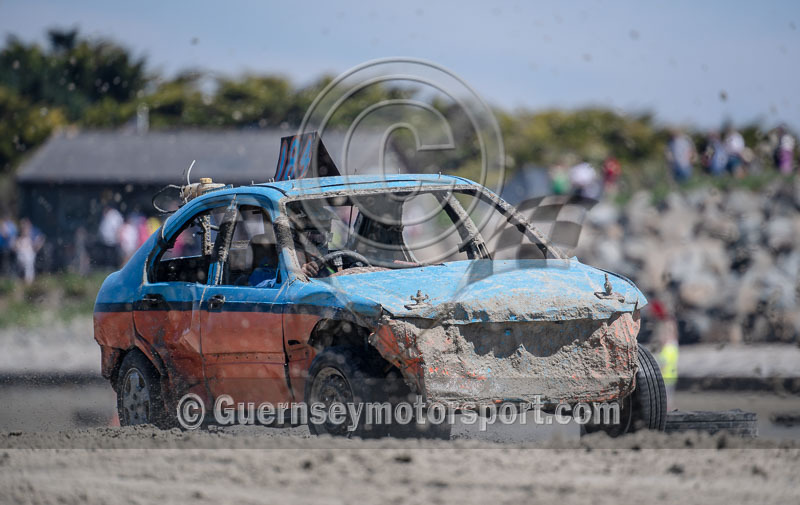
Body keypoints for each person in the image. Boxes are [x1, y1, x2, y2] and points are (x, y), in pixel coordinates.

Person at [14, 218, 44, 285]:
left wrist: (36, 247)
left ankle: (28, 280)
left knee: (28, 262)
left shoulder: (34, 233)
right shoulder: (18, 235)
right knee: (24, 260)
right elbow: (15, 245)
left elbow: (40, 240)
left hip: (30, 254)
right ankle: (25, 280)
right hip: (21, 255)